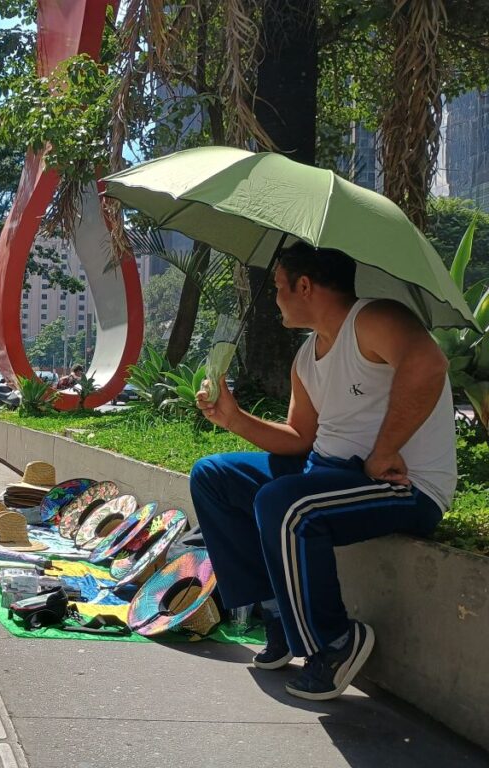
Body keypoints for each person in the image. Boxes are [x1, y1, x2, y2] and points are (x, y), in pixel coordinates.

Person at [190, 242, 455, 702]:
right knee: (212, 475)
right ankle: (276, 612)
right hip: (327, 474)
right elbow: (299, 437)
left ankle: (334, 642)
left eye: (279, 287)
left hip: (400, 486)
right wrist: (233, 419)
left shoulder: (373, 319)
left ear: (305, 286)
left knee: (284, 504)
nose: (275, 299)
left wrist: (385, 449)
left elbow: (429, 363)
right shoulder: (307, 356)